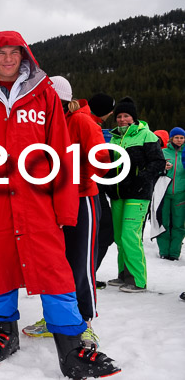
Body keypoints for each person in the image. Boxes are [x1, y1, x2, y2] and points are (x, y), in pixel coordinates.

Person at [0, 31, 120, 378]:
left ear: (24, 57)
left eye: (15, 53)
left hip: (37, 202)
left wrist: (65, 206)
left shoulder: (43, 95)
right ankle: (4, 330)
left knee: (54, 270)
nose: (9, 59)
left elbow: (61, 152)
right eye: (2, 54)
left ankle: (71, 346)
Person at [23, 77, 111, 349]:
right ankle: (55, 319)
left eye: (52, 100)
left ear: (63, 100)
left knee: (80, 263)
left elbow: (103, 163)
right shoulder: (43, 122)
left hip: (82, 199)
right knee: (55, 263)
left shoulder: (81, 121)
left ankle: (84, 322)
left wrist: (75, 179)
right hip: (51, 202)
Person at [104, 97, 165, 293]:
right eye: (119, 116)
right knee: (119, 236)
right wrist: (109, 184)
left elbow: (158, 162)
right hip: (118, 193)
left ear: (134, 117)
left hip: (138, 194)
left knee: (130, 235)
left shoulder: (146, 135)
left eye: (126, 115)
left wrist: (141, 180)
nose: (122, 119)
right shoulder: (114, 138)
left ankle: (138, 280)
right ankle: (124, 274)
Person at [87, 93, 116, 287]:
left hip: (88, 186)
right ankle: (85, 275)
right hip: (88, 188)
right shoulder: (91, 124)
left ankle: (87, 273)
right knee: (104, 230)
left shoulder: (80, 119)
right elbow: (101, 162)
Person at [156, 127, 185, 260]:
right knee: (163, 223)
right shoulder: (163, 152)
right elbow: (154, 170)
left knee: (178, 225)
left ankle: (174, 253)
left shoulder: (184, 154)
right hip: (164, 193)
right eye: (177, 137)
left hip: (181, 194)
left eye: (182, 137)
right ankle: (163, 251)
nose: (179, 140)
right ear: (171, 138)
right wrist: (162, 168)